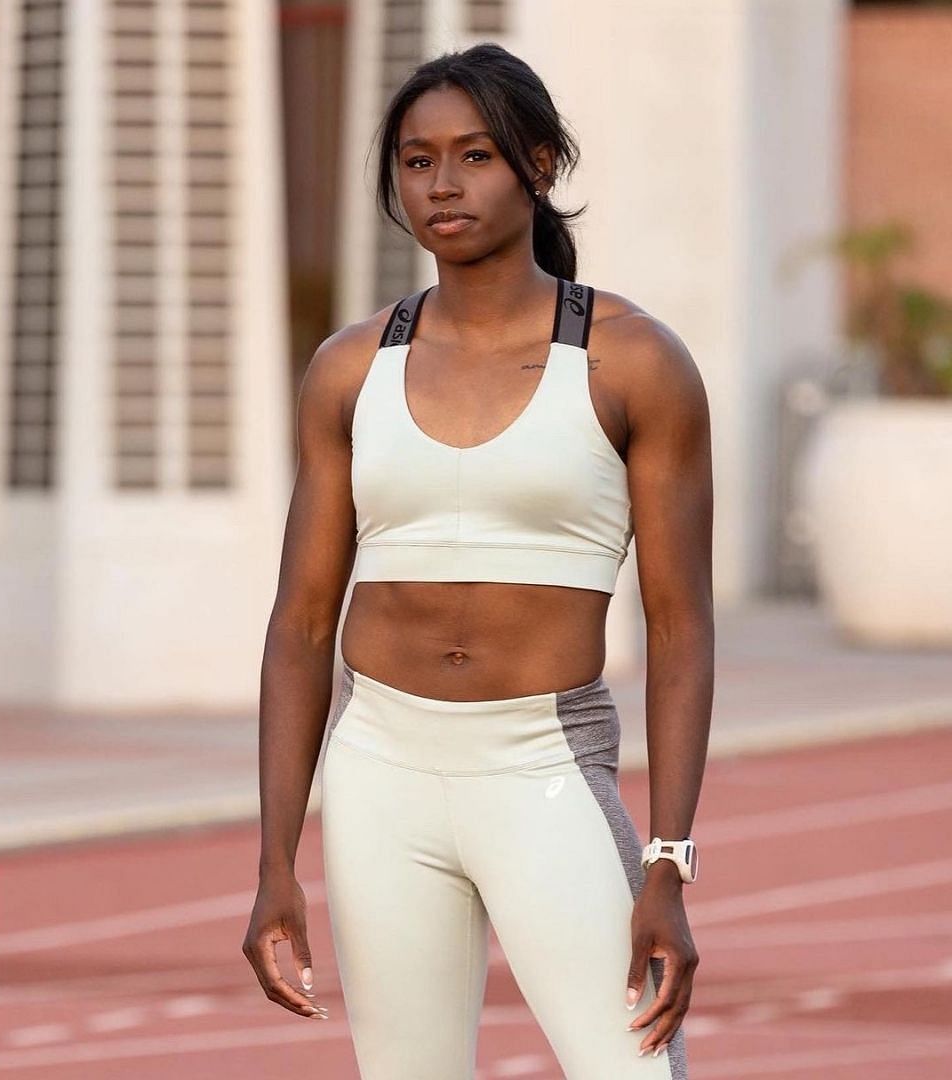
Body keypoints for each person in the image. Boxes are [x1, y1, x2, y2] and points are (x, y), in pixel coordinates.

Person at [241, 45, 712, 1077]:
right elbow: (302, 624)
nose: (443, 185)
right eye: (417, 162)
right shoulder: (348, 368)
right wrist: (276, 864)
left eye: (476, 156)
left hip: (541, 768)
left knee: (631, 1071)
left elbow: (679, 627)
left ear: (538, 165)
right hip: (379, 776)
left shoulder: (633, 361)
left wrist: (668, 863)